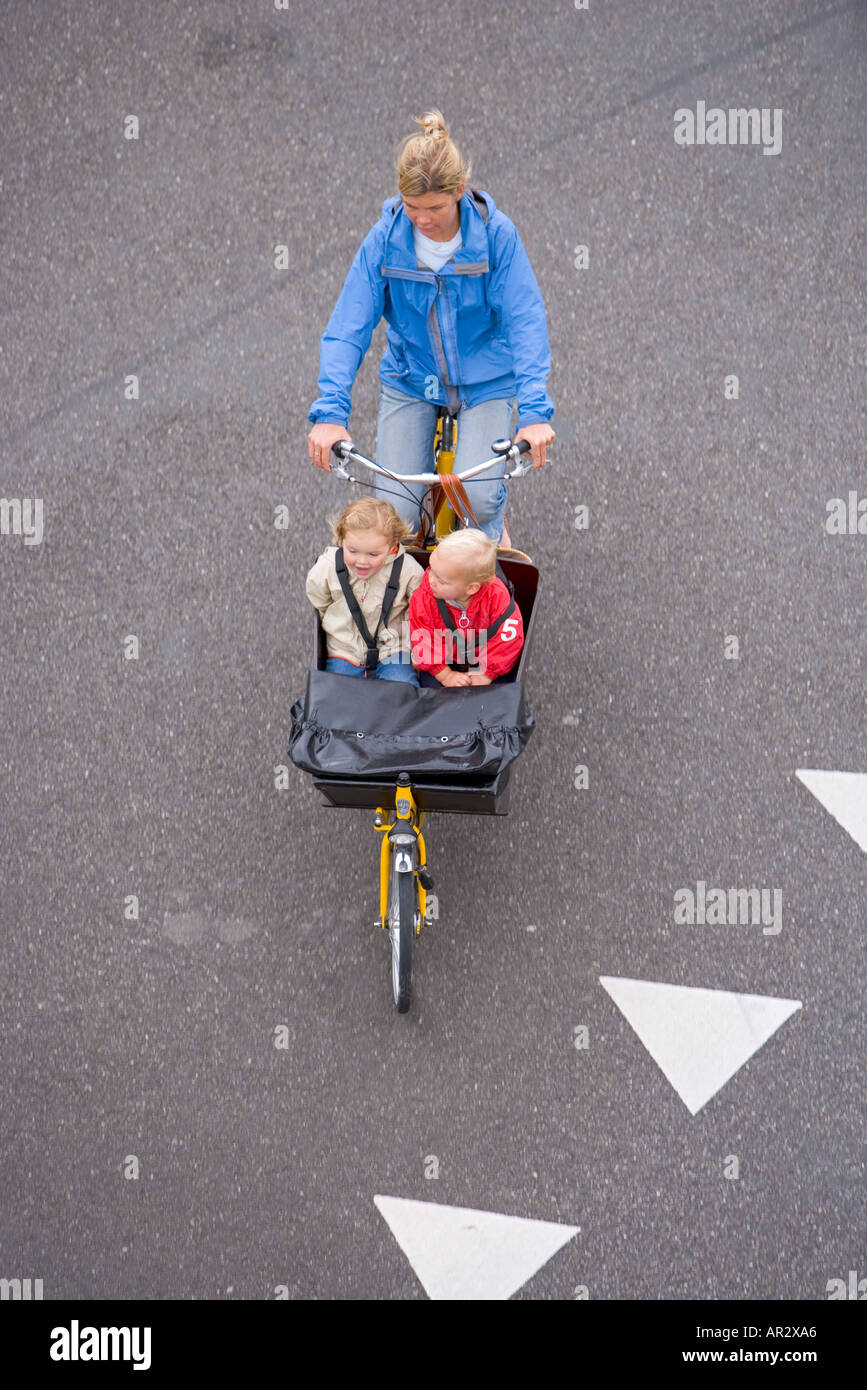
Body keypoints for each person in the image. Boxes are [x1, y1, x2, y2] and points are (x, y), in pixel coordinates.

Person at [307, 108, 555, 547]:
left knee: (476, 500)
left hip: (485, 382)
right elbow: (348, 326)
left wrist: (534, 413)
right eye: (412, 206)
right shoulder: (384, 240)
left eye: (435, 208)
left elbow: (526, 320)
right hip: (411, 379)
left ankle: (489, 534)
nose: (421, 219)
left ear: (459, 192)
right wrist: (330, 413)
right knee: (396, 515)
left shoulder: (497, 236)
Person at [305, 498, 424, 683]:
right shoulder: (327, 567)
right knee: (336, 696)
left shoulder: (408, 570)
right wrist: (333, 624)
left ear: (392, 547)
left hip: (393, 649)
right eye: (352, 551)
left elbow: (418, 612)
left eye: (373, 554)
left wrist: (415, 649)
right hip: (344, 649)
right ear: (341, 540)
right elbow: (319, 599)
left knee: (404, 692)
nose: (361, 561)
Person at [408, 530, 524, 688]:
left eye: (441, 580)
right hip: (443, 662)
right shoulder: (425, 598)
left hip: (489, 660)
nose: (430, 580)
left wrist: (486, 672)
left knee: (499, 697)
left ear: (471, 588)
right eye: (431, 569)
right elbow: (423, 639)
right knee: (432, 699)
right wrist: (445, 675)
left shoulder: (497, 596)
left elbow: (508, 638)